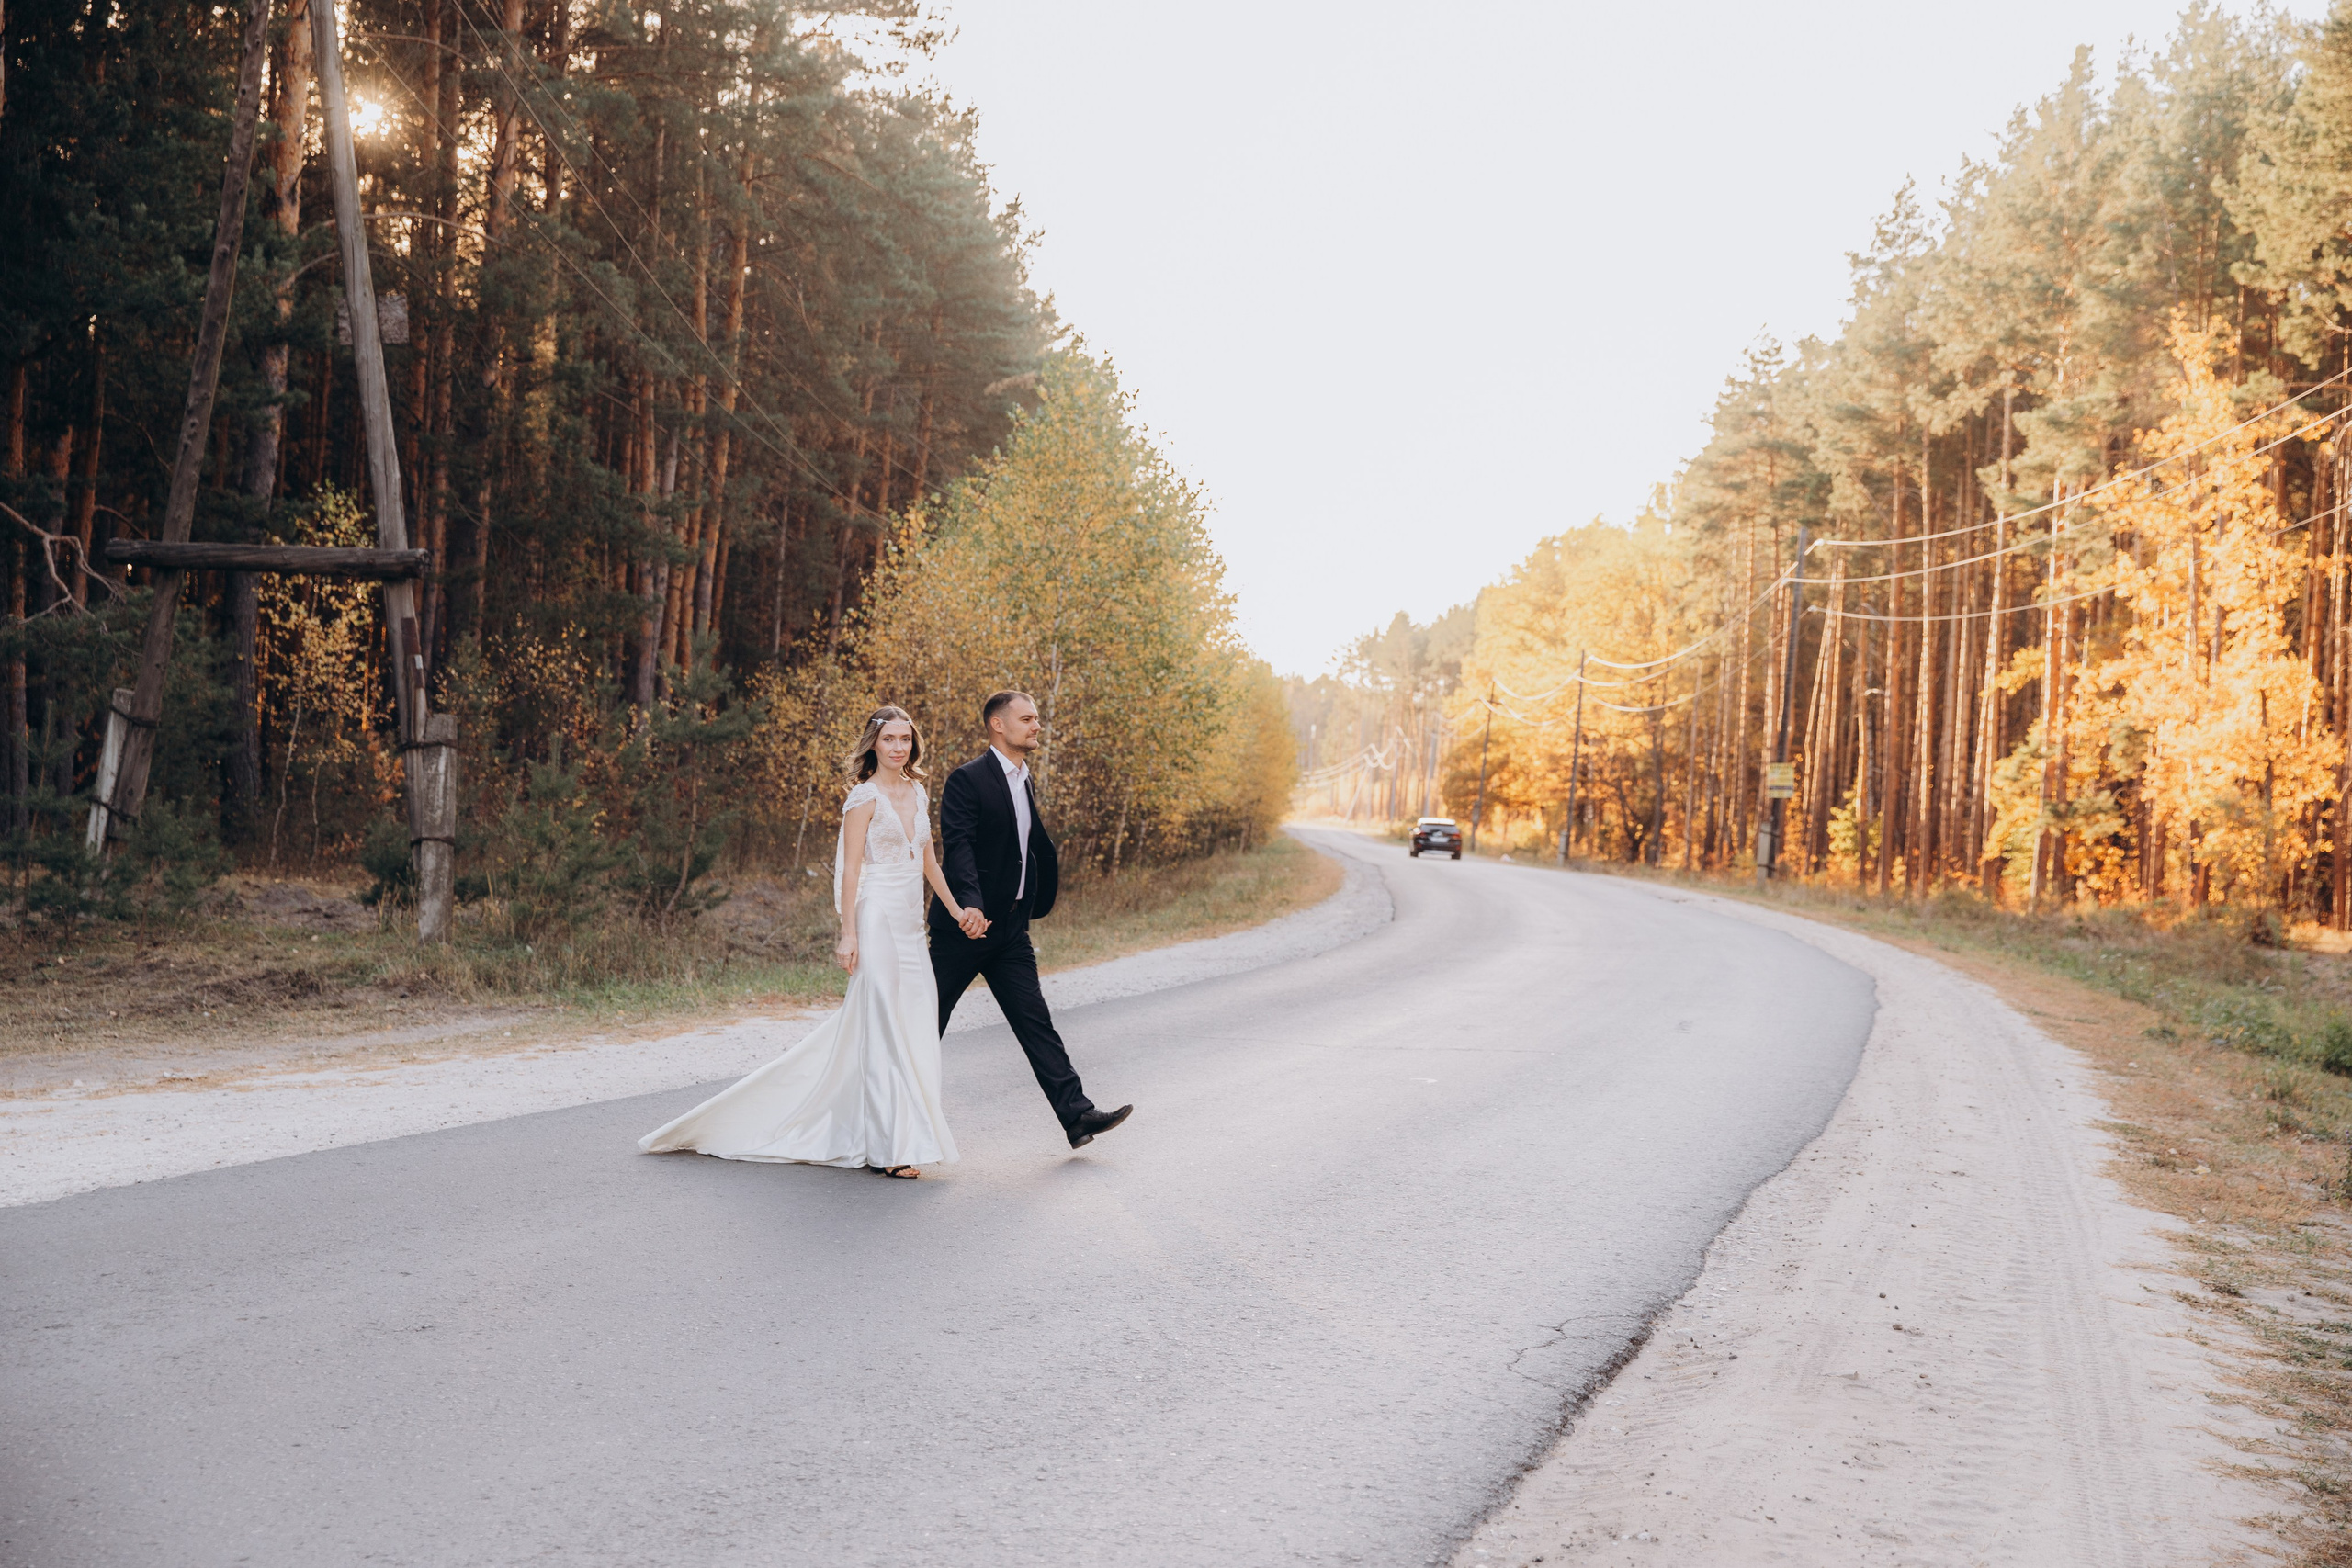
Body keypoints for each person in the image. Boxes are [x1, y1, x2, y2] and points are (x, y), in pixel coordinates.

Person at [638, 707, 973, 1178]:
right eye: (889, 739)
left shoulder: (917, 791)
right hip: (874, 914)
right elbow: (850, 869)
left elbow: (929, 862)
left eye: (905, 739)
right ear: (873, 745)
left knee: (914, 1021)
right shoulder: (863, 796)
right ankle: (891, 1146)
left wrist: (958, 912)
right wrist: (849, 932)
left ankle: (891, 1128)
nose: (899, 747)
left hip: (910, 922)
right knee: (880, 1021)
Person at [931, 690, 1133, 1149]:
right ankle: (890, 1117)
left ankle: (1078, 1116)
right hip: (964, 931)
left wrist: (1023, 908)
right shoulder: (967, 779)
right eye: (1027, 719)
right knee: (926, 1026)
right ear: (998, 725)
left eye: (1037, 718)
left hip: (1010, 932)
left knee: (1036, 1021)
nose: (1036, 725)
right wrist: (970, 905)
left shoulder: (1024, 779)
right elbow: (958, 846)